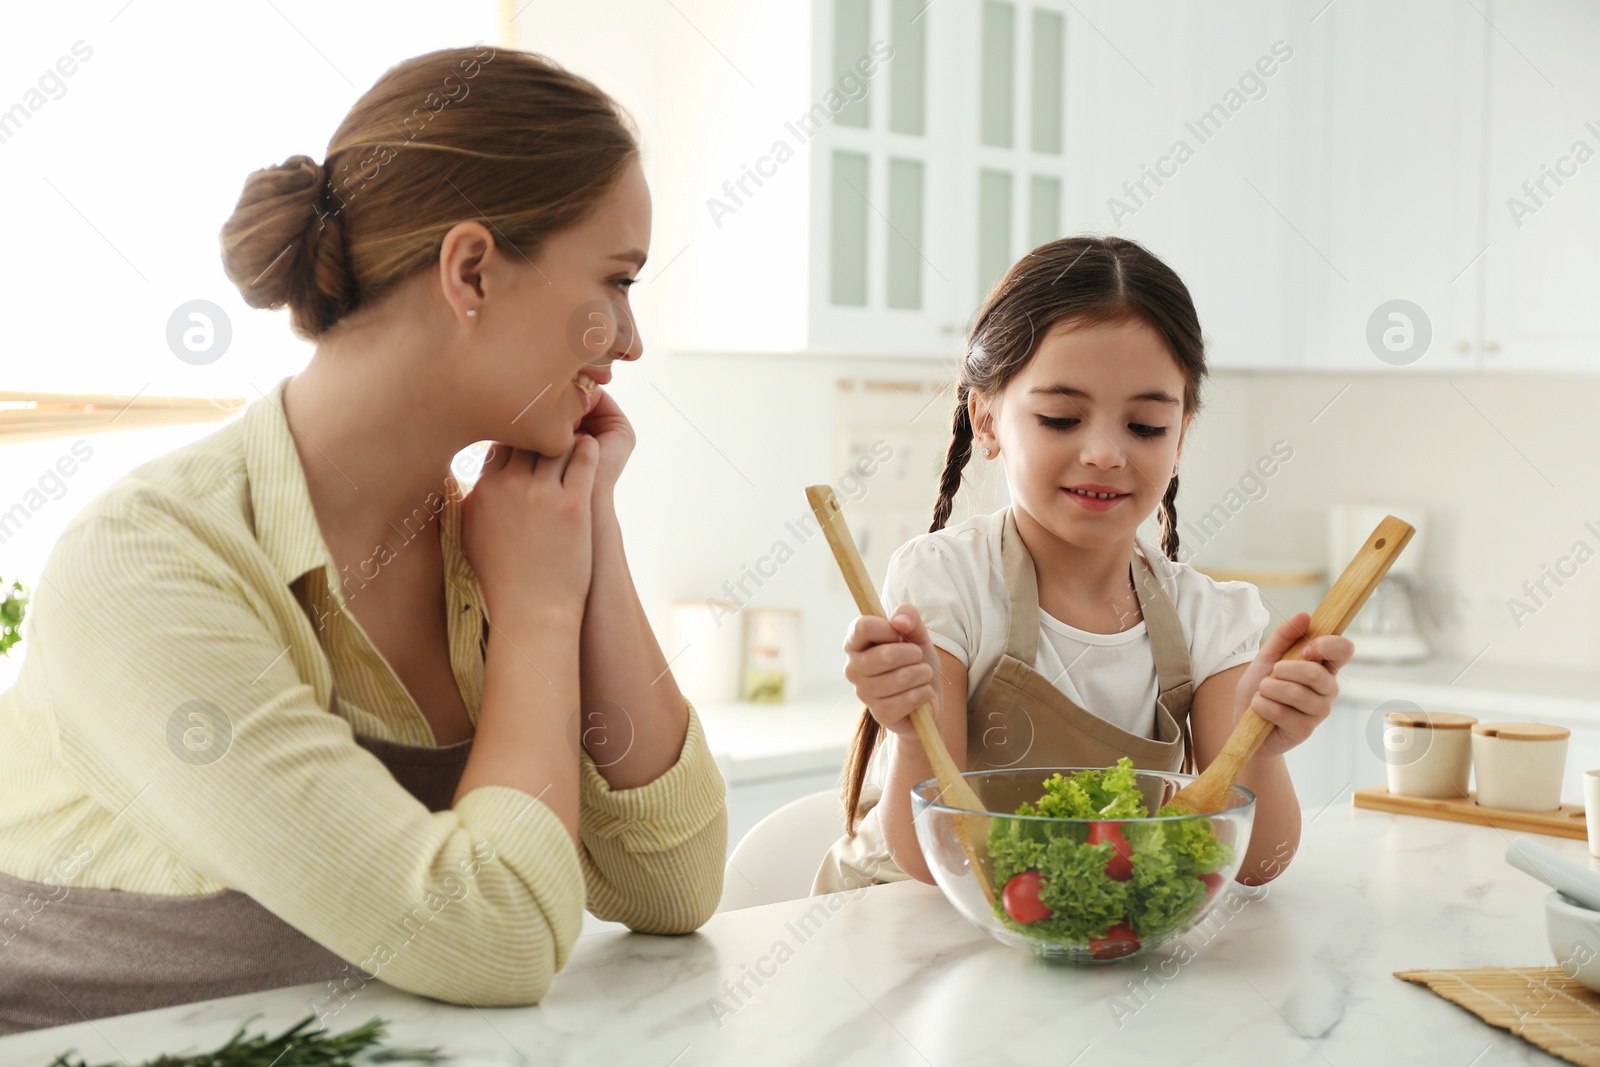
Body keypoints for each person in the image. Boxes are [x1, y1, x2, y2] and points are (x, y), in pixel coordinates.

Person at [0, 45, 725, 1033]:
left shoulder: (498, 540)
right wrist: (542, 616)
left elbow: (673, 884)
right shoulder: (151, 565)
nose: (630, 340)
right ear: (471, 269)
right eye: (619, 279)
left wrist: (585, 533)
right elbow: (497, 932)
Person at [812, 235, 1353, 894]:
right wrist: (911, 725)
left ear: (1181, 437)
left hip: (1074, 936)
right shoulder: (946, 584)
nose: (1104, 452)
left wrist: (1261, 751)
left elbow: (1256, 864)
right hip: (899, 924)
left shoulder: (1209, 617)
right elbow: (935, 859)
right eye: (1062, 417)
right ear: (986, 419)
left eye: (1146, 427)